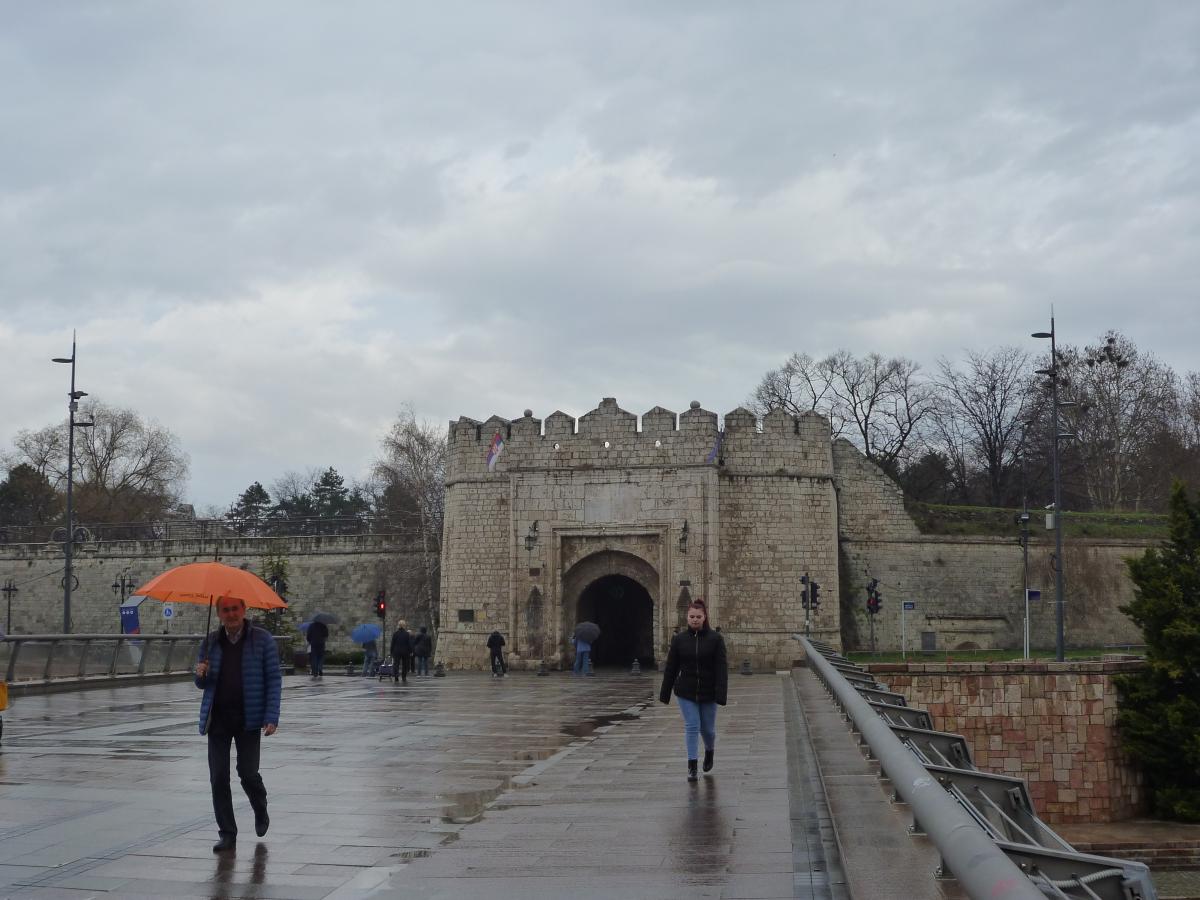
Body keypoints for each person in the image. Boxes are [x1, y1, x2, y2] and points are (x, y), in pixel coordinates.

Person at [194, 596, 282, 853]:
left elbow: (273, 679)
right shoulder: (210, 641)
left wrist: (271, 716)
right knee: (218, 777)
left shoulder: (262, 640)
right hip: (218, 719)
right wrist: (200, 673)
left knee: (248, 773)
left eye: (235, 609)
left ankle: (260, 806)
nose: (231, 614)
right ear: (219, 613)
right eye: (225, 610)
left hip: (249, 718)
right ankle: (227, 833)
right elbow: (201, 684)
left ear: (244, 610)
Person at [658, 599, 727, 782]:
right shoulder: (679, 640)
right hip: (686, 691)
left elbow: (721, 668)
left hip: (708, 691)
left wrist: (721, 693)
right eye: (692, 616)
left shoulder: (715, 639)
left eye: (698, 616)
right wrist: (665, 693)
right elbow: (671, 667)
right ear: (687, 618)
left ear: (704, 617)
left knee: (708, 730)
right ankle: (692, 766)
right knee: (692, 725)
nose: (695, 619)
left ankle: (709, 750)